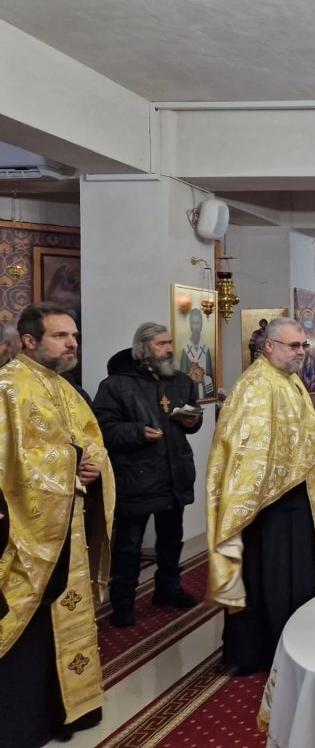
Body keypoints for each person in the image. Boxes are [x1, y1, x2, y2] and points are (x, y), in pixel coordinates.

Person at [0, 302, 115, 748]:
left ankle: (68, 708)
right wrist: (71, 464)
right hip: (24, 532)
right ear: (29, 341)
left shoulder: (66, 389)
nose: (72, 344)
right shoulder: (9, 387)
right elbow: (14, 463)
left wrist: (92, 468)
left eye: (74, 336)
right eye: (61, 336)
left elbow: (90, 444)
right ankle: (22, 721)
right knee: (27, 624)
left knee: (64, 618)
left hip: (68, 524)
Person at [205, 318, 315, 674]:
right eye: (293, 346)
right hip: (267, 504)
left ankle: (295, 640)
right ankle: (265, 649)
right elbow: (247, 450)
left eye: (303, 346)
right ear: (268, 346)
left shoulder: (287, 381)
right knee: (273, 576)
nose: (301, 352)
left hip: (293, 495)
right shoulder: (255, 386)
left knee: (295, 574)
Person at [93, 322, 203, 628]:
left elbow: (192, 418)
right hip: (136, 475)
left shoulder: (181, 381)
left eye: (170, 343)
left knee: (172, 539)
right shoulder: (115, 385)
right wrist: (138, 432)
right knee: (129, 545)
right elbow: (103, 429)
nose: (169, 349)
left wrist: (192, 421)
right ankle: (123, 603)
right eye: (161, 344)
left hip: (174, 471)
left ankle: (168, 589)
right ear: (142, 348)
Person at [180, 307, 214, 400]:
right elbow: (182, 375)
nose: (196, 326)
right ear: (190, 325)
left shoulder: (205, 348)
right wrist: (192, 375)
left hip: (203, 392)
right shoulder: (186, 349)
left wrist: (203, 379)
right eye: (194, 323)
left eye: (198, 323)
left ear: (201, 325)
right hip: (190, 391)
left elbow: (210, 375)